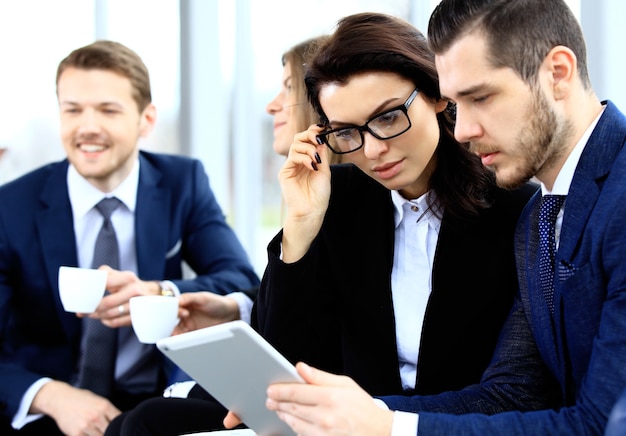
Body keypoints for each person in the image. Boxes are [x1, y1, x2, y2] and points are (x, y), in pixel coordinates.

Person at [250, 1, 626, 435]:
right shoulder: (539, 219)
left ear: (558, 73)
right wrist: (345, 415)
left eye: (480, 97)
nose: (462, 128)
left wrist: (387, 427)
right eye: (457, 102)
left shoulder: (552, 206)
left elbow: (601, 423)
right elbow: (512, 391)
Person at [0, 40, 259, 435]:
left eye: (108, 110)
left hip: (154, 402)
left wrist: (162, 292)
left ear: (146, 119)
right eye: (72, 110)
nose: (87, 127)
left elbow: (241, 279)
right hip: (49, 404)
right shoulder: (11, 206)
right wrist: (49, 394)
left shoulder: (182, 183)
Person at [103, 36, 333, 436]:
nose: (271, 105)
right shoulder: (303, 197)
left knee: (144, 421)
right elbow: (280, 305)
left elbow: (304, 328)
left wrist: (164, 291)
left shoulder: (182, 181)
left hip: (312, 396)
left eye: (288, 88)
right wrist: (234, 310)